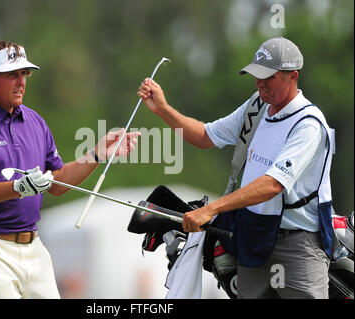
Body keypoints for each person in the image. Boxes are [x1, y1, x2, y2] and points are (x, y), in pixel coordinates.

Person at [0, 40, 140, 299]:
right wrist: (17, 188)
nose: (21, 82)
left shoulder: (34, 121)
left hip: (33, 247)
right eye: (12, 75)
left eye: (24, 74)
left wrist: (97, 154)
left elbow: (56, 184)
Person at [137, 37, 334, 299]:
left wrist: (210, 210)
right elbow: (205, 136)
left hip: (297, 244)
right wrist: (162, 109)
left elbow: (272, 184)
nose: (259, 83)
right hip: (254, 237)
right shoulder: (257, 105)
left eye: (268, 77)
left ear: (292, 76)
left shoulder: (309, 124)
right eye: (256, 76)